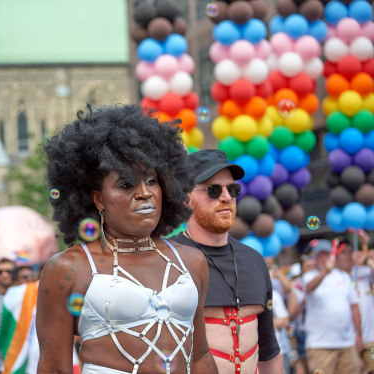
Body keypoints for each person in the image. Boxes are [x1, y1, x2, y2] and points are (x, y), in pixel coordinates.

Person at [38, 104, 217, 373]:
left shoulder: (191, 261)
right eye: (126, 184)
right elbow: (54, 368)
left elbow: (201, 355)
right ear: (98, 198)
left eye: (152, 180)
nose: (144, 193)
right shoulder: (68, 269)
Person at [168, 149, 283, 374]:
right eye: (213, 190)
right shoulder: (167, 258)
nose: (226, 197)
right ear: (186, 198)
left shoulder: (254, 261)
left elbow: (268, 350)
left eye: (232, 189)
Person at [302, 240, 361, 374]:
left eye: (326, 255)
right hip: (319, 345)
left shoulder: (345, 277)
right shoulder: (308, 276)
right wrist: (325, 273)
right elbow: (309, 288)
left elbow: (354, 307)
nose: (323, 259)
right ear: (315, 258)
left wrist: (358, 335)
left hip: (347, 344)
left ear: (332, 256)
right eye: (320, 256)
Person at [352, 230, 374, 374]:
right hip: (350, 339)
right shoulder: (345, 275)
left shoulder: (368, 275)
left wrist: (366, 260)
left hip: (371, 337)